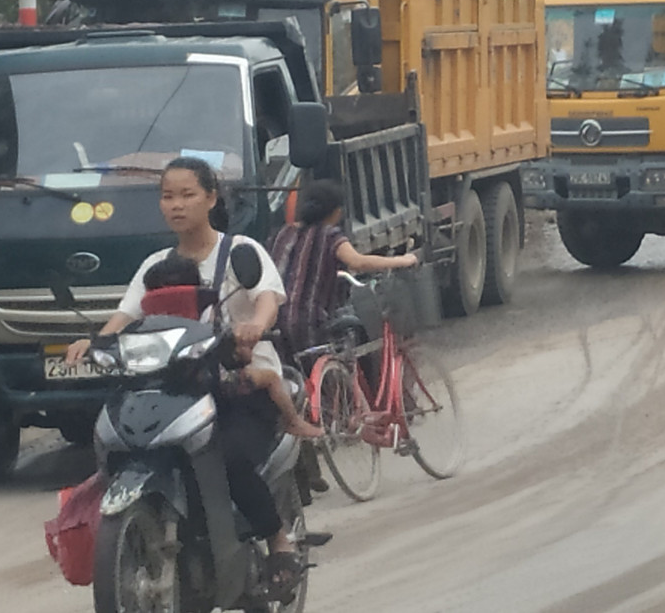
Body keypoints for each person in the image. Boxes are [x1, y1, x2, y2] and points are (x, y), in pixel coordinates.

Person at [64, 156, 311, 595]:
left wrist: (255, 325)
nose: (175, 205)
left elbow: (267, 297)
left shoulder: (241, 252)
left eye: (186, 195)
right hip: (176, 387)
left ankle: (278, 541)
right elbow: (126, 313)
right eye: (166, 196)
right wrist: (96, 342)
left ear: (211, 198)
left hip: (239, 384)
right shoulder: (156, 264)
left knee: (230, 457)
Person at [139, 255, 321, 441]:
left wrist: (242, 344)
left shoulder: (200, 318)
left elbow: (240, 354)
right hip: (178, 388)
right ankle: (293, 421)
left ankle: (292, 422)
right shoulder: (199, 314)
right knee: (270, 377)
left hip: (215, 384)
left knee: (270, 377)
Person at [270, 179, 419, 359]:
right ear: (336, 212)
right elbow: (358, 262)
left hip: (274, 321)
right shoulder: (330, 236)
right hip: (309, 322)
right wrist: (402, 260)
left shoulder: (284, 232)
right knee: (351, 336)